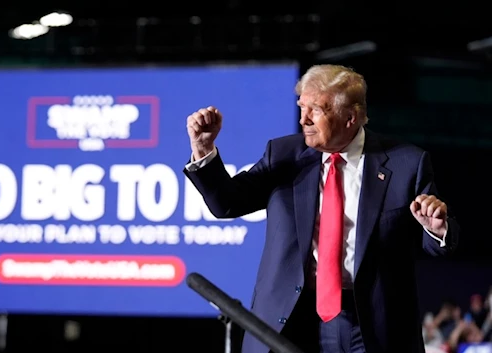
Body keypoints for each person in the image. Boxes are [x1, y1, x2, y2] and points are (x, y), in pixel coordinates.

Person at [183, 64, 460, 353]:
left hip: (370, 325)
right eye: (301, 107)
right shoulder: (284, 155)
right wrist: (203, 150)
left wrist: (436, 229)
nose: (303, 119)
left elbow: (437, 244)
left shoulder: (406, 164)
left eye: (315, 109)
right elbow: (227, 203)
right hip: (290, 317)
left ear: (350, 118)